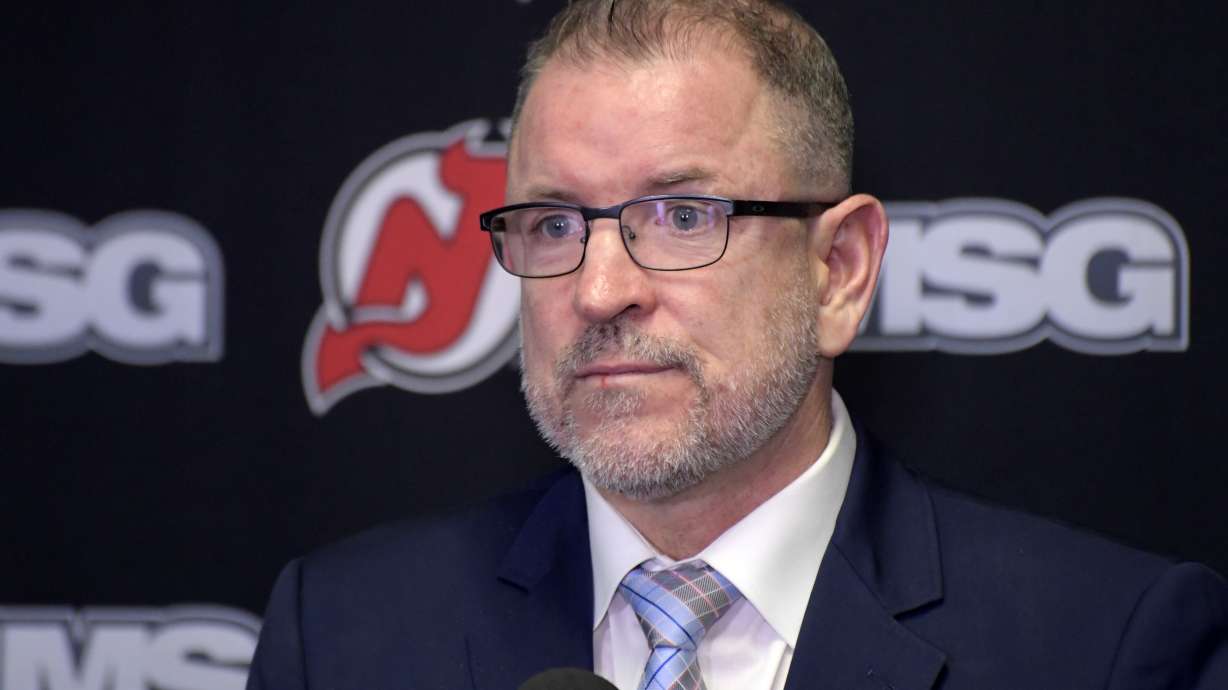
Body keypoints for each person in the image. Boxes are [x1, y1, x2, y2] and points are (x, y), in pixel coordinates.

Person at [248, 1, 1228, 688]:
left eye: (679, 215)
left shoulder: (1104, 647)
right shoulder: (340, 637)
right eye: (552, 224)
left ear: (837, 268)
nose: (597, 291)